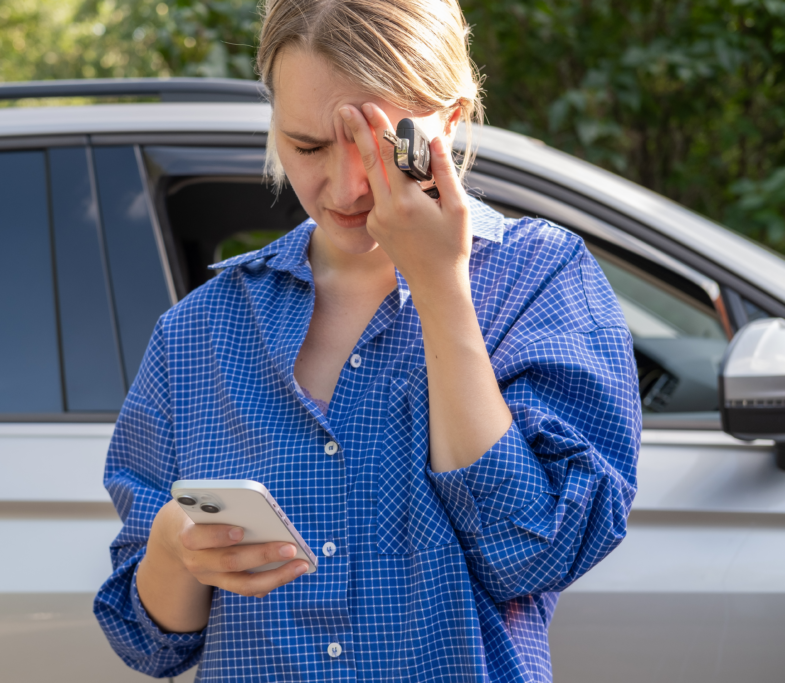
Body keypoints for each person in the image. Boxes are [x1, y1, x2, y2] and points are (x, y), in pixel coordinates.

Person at [94, 0, 640, 680]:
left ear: (451, 118)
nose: (348, 186)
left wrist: (439, 284)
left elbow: (532, 551)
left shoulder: (539, 278)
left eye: (379, 146)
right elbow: (148, 644)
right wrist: (177, 550)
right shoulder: (201, 330)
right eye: (309, 146)